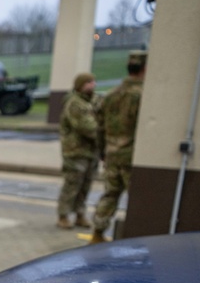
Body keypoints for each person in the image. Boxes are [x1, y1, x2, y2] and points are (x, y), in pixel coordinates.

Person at [91, 50, 146, 244]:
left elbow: (99, 127)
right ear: (145, 68)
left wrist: (102, 151)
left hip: (112, 154)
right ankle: (137, 240)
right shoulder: (142, 96)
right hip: (132, 157)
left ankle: (97, 233)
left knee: (110, 194)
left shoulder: (110, 95)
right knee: (139, 200)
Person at [56, 72, 99, 230]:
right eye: (88, 82)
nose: (92, 85)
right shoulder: (75, 103)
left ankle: (80, 214)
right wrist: (104, 133)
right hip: (75, 151)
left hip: (91, 152)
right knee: (72, 185)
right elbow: (86, 127)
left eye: (93, 81)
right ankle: (63, 215)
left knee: (85, 185)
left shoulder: (93, 101)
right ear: (80, 85)